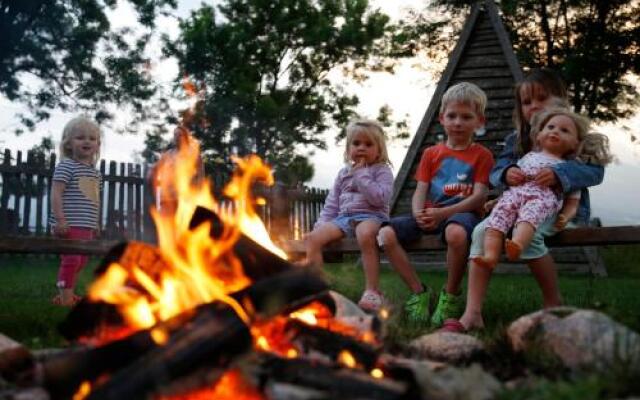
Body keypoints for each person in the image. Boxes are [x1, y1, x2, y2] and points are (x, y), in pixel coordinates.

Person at [444, 68, 607, 333]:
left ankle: (553, 303)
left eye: (540, 99)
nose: (533, 107)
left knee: (529, 235)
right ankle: (472, 312)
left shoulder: (573, 134)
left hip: (556, 208)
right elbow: (498, 170)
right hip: (517, 205)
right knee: (480, 232)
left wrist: (559, 173)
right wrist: (507, 174)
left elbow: (595, 172)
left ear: (561, 100)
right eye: (526, 101)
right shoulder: (516, 138)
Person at [374, 82, 495, 324]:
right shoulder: (431, 154)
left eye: (466, 117)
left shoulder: (482, 155)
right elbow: (421, 189)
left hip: (462, 214)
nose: (458, 122)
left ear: (479, 122)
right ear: (442, 118)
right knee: (386, 234)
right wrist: (419, 213)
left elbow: (479, 196)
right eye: (452, 116)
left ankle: (450, 296)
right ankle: (418, 293)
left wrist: (443, 213)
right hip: (431, 213)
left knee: (456, 234)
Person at [473, 108, 611, 268]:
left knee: (528, 218)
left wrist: (565, 216)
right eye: (550, 127)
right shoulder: (526, 158)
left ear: (575, 144)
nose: (555, 132)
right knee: (496, 221)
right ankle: (490, 256)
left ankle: (517, 243)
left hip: (540, 201)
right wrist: (497, 201)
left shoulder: (568, 168)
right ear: (538, 136)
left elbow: (573, 201)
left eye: (564, 130)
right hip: (513, 198)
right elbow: (514, 187)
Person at [304, 120, 394, 291]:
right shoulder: (343, 173)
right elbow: (332, 204)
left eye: (368, 144)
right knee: (312, 238)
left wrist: (362, 175)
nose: (361, 148)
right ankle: (316, 286)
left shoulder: (382, 170)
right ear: (348, 149)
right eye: (356, 143)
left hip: (372, 217)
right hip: (344, 219)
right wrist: (321, 225)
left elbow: (379, 199)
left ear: (379, 150)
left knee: (364, 233)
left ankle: (372, 291)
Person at [50, 117, 102, 306]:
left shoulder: (95, 173)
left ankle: (66, 294)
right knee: (71, 259)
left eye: (92, 138)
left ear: (98, 145)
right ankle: (65, 299)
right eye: (80, 138)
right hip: (69, 224)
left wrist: (95, 222)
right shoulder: (66, 166)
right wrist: (60, 219)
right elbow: (56, 193)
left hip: (86, 225)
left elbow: (93, 200)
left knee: (81, 260)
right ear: (69, 144)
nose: (87, 141)